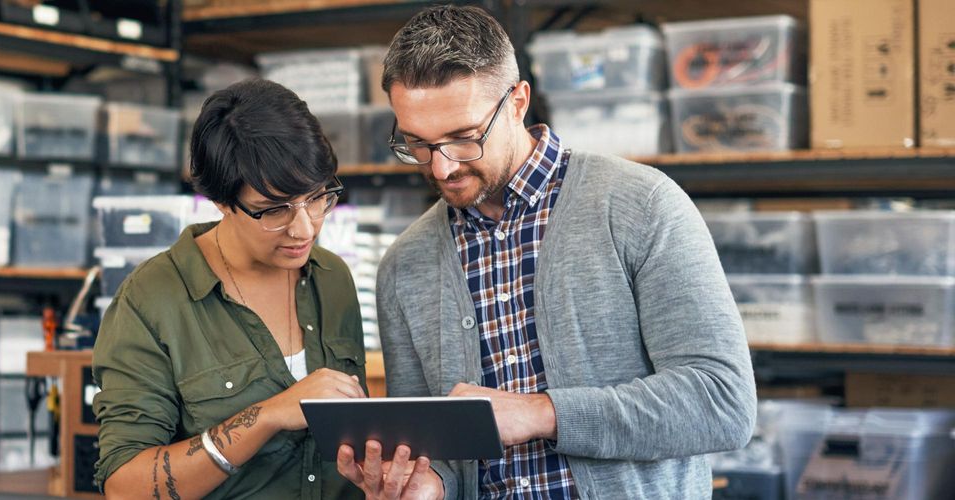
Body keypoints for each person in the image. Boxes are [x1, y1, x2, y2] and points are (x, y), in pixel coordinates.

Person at [337, 5, 758, 499]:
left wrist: (541, 412)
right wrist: (427, 485)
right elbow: (437, 452)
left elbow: (722, 402)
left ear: (518, 102)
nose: (442, 168)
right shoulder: (403, 267)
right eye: (417, 144)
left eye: (463, 138)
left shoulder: (639, 205)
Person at [91, 78, 374, 499]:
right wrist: (266, 417)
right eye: (273, 210)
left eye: (317, 198)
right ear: (221, 201)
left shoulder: (332, 277)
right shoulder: (152, 299)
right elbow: (124, 486)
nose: (304, 228)